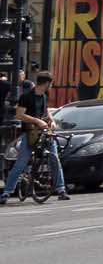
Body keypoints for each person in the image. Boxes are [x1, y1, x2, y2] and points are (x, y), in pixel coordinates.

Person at [2, 70, 65, 202]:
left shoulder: (44, 95)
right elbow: (19, 115)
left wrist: (51, 120)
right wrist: (37, 121)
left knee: (54, 159)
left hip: (44, 132)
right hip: (30, 133)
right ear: (47, 83)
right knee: (21, 163)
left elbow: (46, 109)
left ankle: (61, 189)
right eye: (51, 83)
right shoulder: (26, 96)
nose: (52, 86)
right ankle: (7, 192)